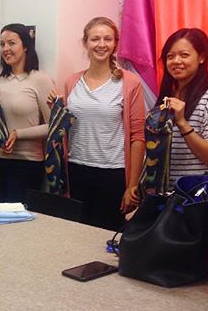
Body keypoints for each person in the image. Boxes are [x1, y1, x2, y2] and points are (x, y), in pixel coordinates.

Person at [55, 17, 146, 230]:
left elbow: (138, 137)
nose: (101, 44)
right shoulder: (72, 82)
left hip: (113, 173)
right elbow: (64, 127)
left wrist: (132, 185)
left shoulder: (129, 82)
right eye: (95, 39)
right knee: (77, 233)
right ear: (85, 43)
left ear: (115, 43)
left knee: (105, 236)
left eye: (108, 39)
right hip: (76, 169)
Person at [0, 24, 54, 203]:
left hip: (26, 163)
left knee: (17, 226)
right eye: (2, 44)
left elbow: (54, 126)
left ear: (25, 46)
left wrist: (18, 134)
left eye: (11, 43)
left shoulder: (40, 79)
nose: (5, 49)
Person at [156, 28, 208, 187]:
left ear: (201, 57)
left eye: (184, 55)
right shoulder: (167, 95)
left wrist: (182, 123)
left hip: (191, 196)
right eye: (170, 56)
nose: (176, 61)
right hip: (161, 191)